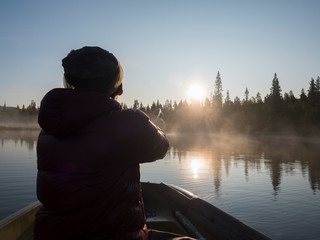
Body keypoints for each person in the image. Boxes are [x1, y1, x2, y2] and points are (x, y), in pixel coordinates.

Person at [34, 46, 195, 240]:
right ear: (117, 89)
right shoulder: (129, 122)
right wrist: (152, 126)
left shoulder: (48, 130)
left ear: (70, 81)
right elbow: (161, 147)